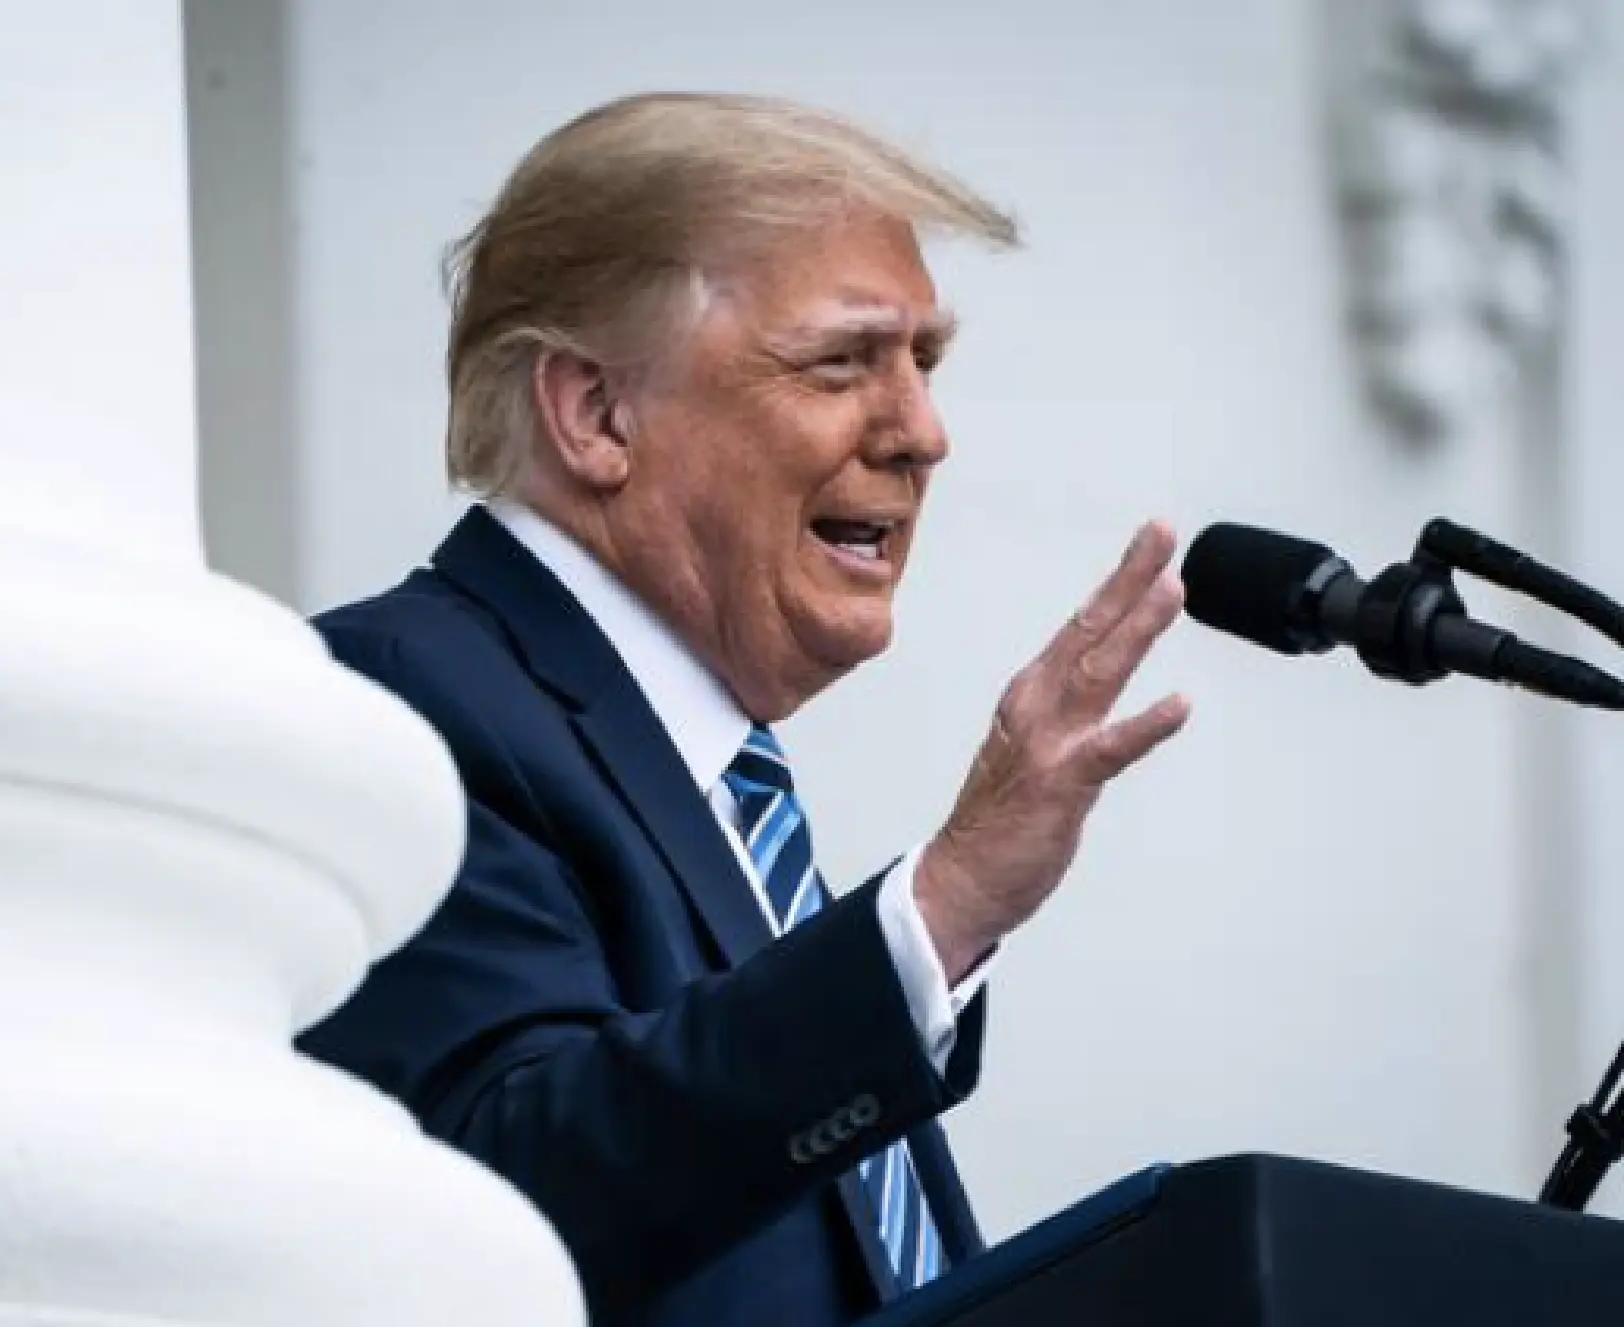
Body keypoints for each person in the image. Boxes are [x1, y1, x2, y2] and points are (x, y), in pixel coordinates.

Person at [297, 91, 1190, 1327]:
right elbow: (502, 1206)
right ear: (597, 412)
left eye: (922, 362)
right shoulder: (393, 691)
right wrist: (943, 904)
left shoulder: (712, 779)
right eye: (840, 360)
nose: (921, 434)